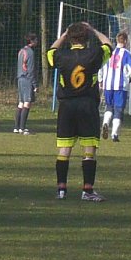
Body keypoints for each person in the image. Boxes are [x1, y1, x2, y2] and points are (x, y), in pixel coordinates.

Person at [47, 22, 112, 201]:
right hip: (87, 106)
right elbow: (108, 45)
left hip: (66, 107)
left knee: (64, 149)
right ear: (87, 37)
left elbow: (50, 51)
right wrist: (94, 30)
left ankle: (61, 190)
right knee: (89, 149)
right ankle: (87, 191)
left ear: (69, 38)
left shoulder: (61, 56)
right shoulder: (94, 54)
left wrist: (64, 35)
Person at [99, 31, 131, 142]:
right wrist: (129, 80)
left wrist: (101, 81)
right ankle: (114, 134)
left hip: (108, 85)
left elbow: (101, 67)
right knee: (119, 109)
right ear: (125, 41)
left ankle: (106, 123)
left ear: (117, 40)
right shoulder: (127, 54)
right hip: (120, 86)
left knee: (109, 106)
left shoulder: (109, 53)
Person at [14, 33, 39, 135]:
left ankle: (16, 127)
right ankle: (22, 128)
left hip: (20, 78)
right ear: (31, 41)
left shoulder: (21, 51)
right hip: (27, 79)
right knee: (27, 103)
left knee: (20, 103)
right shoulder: (30, 53)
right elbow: (30, 70)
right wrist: (35, 85)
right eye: (36, 40)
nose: (37, 42)